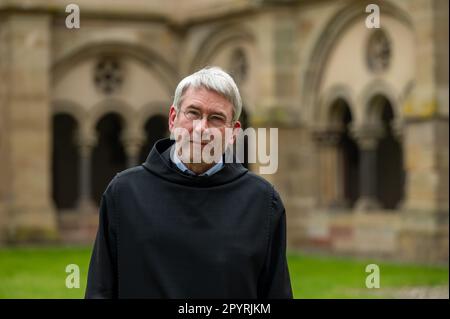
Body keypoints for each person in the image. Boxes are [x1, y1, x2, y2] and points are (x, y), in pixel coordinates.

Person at [85, 66, 293, 298]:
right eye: (193, 113)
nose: (201, 128)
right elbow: (100, 290)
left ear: (233, 132)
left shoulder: (262, 202)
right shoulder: (124, 193)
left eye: (216, 118)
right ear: (173, 118)